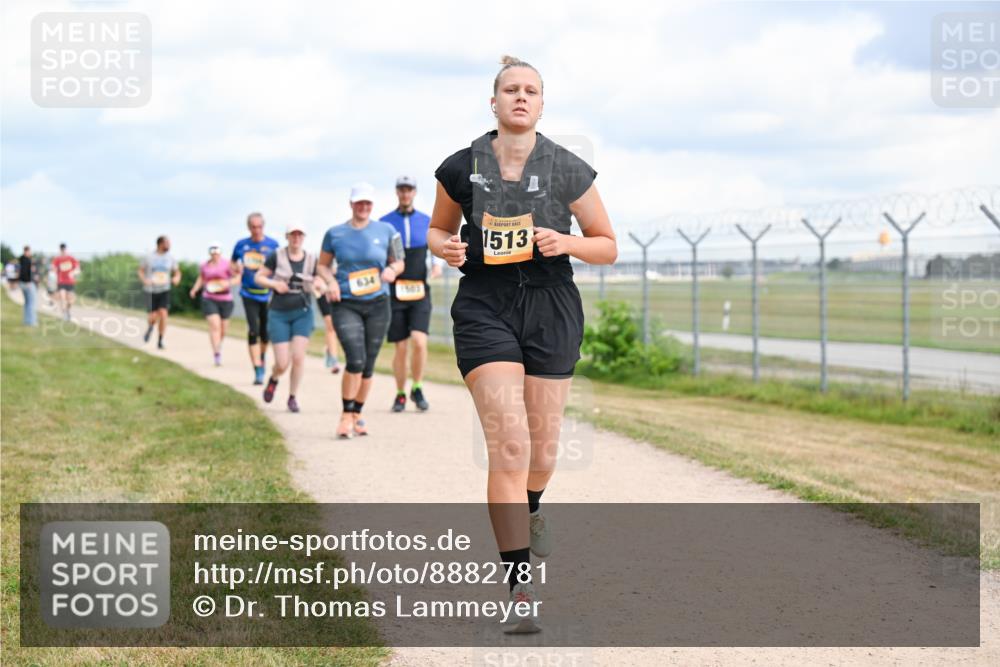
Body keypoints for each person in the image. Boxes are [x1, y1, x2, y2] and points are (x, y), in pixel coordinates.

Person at [428, 56, 617, 632]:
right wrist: (446, 248)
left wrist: (566, 241)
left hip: (551, 304)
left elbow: (607, 244)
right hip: (485, 304)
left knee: (542, 451)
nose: (520, 97)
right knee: (509, 447)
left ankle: (532, 506)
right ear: (494, 102)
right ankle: (518, 588)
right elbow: (437, 229)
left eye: (530, 90)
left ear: (541, 104)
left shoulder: (567, 168)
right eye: (510, 89)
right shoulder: (460, 167)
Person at [318, 183, 405, 438]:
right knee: (355, 359)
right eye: (359, 203)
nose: (363, 207)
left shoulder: (387, 230)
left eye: (368, 203)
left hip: (378, 303)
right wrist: (331, 281)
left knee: (368, 364)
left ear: (372, 205)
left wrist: (393, 269)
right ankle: (345, 415)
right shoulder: (335, 233)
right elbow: (323, 266)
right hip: (346, 302)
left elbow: (399, 260)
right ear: (351, 204)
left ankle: (358, 412)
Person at [380, 176, 442, 412]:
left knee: (419, 341)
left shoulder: (426, 220)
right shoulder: (386, 222)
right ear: (397, 192)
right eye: (402, 190)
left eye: (409, 190)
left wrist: (436, 265)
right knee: (401, 347)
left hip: (419, 289)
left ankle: (417, 387)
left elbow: (434, 246)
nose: (405, 194)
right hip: (396, 290)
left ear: (414, 192)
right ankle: (400, 393)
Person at [253, 223, 317, 413]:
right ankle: (274, 378)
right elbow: (259, 277)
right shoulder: (276, 255)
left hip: (302, 312)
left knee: (298, 357)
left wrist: (318, 284)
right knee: (282, 362)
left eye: (299, 234)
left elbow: (321, 278)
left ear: (304, 237)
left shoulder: (312, 259)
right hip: (279, 312)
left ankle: (292, 397)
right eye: (292, 235)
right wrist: (274, 284)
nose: (296, 238)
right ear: (287, 236)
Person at [232, 213, 280, 384]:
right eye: (253, 227)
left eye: (259, 227)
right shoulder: (241, 245)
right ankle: (258, 368)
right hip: (248, 293)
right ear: (248, 227)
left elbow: (279, 266)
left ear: (263, 226)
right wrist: (237, 269)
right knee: (253, 329)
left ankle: (261, 356)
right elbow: (233, 264)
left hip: (267, 294)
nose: (256, 230)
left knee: (265, 333)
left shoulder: (273, 245)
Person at [189, 242, 238, 366]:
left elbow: (238, 277)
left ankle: (218, 346)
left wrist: (227, 283)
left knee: (223, 329)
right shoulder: (205, 265)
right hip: (209, 298)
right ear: (210, 253)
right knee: (215, 326)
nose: (215, 254)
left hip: (225, 299)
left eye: (217, 252)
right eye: (212, 252)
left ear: (220, 252)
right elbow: (201, 278)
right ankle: (216, 353)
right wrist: (195, 289)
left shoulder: (227, 264)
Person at [138, 236, 181, 349]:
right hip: (150, 290)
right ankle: (150, 327)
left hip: (164, 289)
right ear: (160, 244)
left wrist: (177, 278)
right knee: (153, 316)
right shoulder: (149, 257)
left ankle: (160, 340)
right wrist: (144, 280)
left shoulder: (171, 258)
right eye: (167, 243)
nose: (169, 245)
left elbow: (177, 272)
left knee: (163, 314)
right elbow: (141, 271)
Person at [313, 280, 342, 374]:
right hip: (323, 292)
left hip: (340, 289)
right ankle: (334, 361)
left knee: (336, 327)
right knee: (331, 326)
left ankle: (329, 348)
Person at [51, 243, 80, 321]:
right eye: (61, 250)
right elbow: (53, 268)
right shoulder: (57, 259)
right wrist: (54, 271)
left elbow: (77, 267)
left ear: (66, 249)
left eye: (64, 249)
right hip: (61, 282)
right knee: (63, 298)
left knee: (70, 300)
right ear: (60, 250)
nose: (63, 251)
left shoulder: (71, 258)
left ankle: (67, 310)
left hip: (70, 282)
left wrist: (74, 272)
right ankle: (64, 314)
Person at [16, 246, 39, 326]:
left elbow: (20, 272)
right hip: (27, 283)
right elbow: (25, 272)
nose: (30, 253)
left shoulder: (21, 260)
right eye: (29, 251)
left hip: (22, 283)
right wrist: (28, 281)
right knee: (31, 303)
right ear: (27, 251)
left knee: (27, 303)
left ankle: (26, 321)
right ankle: (32, 322)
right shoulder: (26, 260)